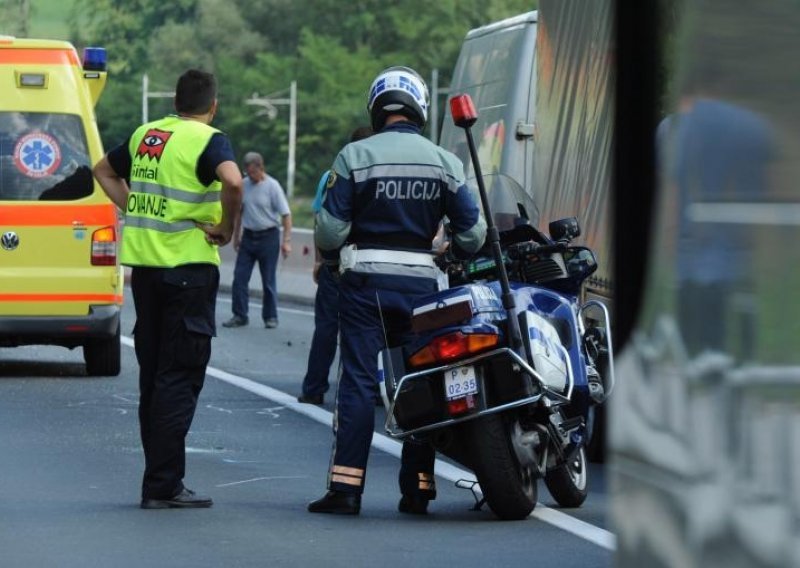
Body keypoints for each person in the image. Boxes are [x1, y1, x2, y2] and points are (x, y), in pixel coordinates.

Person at [308, 66, 487, 515]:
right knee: (422, 383)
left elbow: (330, 231)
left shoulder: (354, 156)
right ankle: (419, 489)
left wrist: (333, 261)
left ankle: (346, 489)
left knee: (357, 383)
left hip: (364, 285)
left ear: (376, 107)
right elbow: (473, 235)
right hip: (423, 291)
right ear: (419, 109)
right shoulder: (446, 162)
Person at [92, 69, 243, 509]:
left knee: (155, 377)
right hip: (189, 272)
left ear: (176, 101)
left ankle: (158, 479)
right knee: (179, 376)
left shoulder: (145, 135)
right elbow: (233, 181)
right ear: (212, 106)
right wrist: (226, 227)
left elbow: (103, 170)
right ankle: (163, 485)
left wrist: (132, 207)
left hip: (147, 275)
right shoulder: (208, 139)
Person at [297, 125, 373, 406]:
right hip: (370, 264)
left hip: (336, 263)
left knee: (327, 328)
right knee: (369, 331)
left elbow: (322, 222)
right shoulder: (380, 176)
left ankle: (314, 388)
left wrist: (320, 260)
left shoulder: (331, 176)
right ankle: (373, 388)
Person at [222, 152, 292, 329]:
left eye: (254, 172)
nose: (251, 176)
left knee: (268, 280)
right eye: (248, 173)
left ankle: (270, 316)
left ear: (261, 168)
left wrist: (286, 241)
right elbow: (239, 212)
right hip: (249, 237)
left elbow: (286, 215)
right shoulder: (244, 185)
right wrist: (236, 235)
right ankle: (239, 315)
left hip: (268, 237)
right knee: (239, 278)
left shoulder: (272, 186)